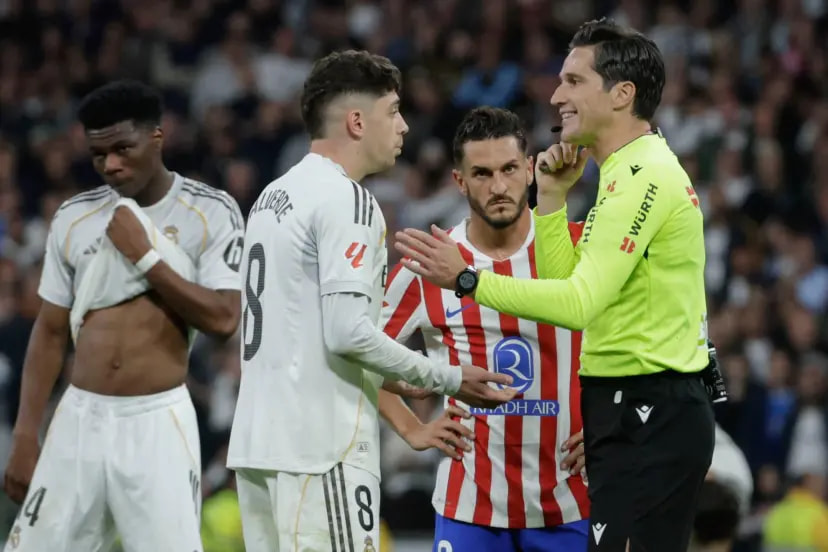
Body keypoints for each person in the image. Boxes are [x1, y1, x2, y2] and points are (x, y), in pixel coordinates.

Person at [394, 18, 716, 552]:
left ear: (622, 94)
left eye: (573, 81)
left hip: (650, 409)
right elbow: (564, 281)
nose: (556, 95)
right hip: (626, 409)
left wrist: (468, 280)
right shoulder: (621, 174)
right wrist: (551, 201)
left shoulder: (644, 177)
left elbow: (577, 303)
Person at [225, 50, 515, 552]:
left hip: (259, 446)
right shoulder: (347, 199)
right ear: (357, 122)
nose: (404, 126)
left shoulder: (273, 195)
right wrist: (448, 377)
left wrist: (401, 399)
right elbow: (348, 333)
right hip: (322, 451)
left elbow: (311, 336)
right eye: (393, 111)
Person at [2, 80, 243, 551]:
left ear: (157, 136)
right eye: (98, 154)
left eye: (122, 149)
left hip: (157, 421)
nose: (110, 165)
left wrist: (147, 257)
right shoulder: (74, 216)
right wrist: (26, 434)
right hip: (78, 418)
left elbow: (223, 319)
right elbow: (50, 332)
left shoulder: (210, 211)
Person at [379, 106, 590, 552]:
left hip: (571, 504)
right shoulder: (429, 265)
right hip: (469, 509)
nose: (498, 186)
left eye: (509, 169)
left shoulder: (576, 249)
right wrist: (412, 428)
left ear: (529, 170)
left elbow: (637, 347)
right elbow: (358, 352)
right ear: (459, 181)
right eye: (482, 173)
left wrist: (613, 427)